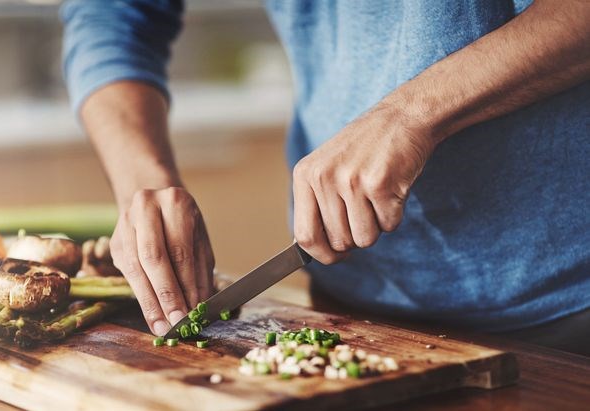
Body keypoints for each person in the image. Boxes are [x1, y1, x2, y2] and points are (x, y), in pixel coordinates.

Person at [60, 0, 590, 354]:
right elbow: (110, 13)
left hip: (567, 299)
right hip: (355, 303)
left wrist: (410, 115)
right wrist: (142, 183)